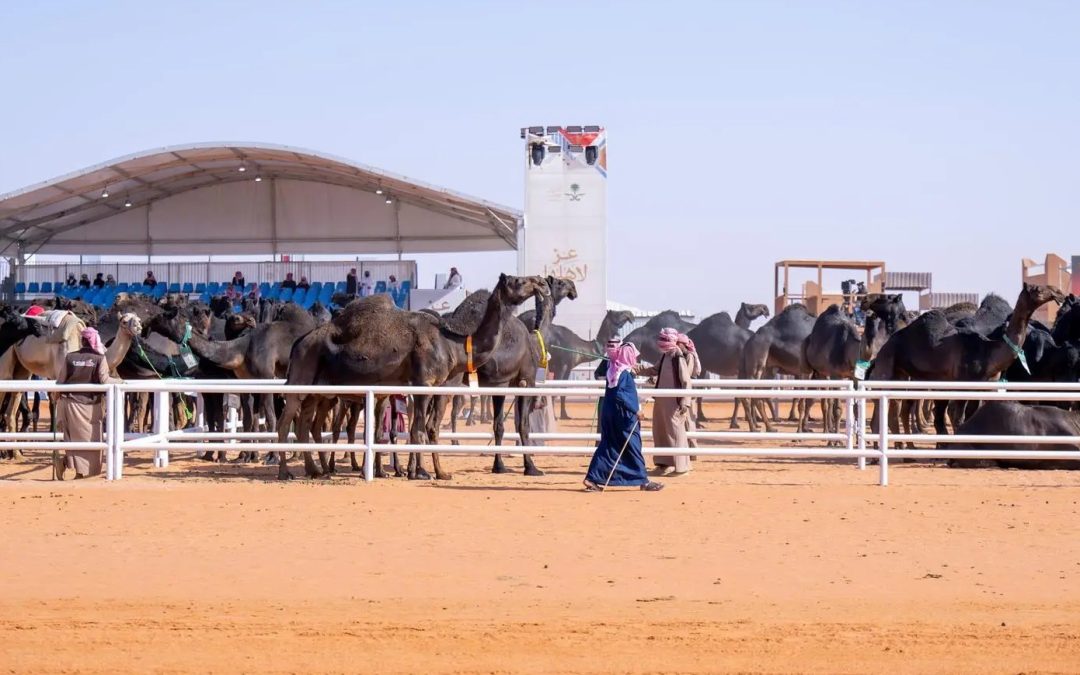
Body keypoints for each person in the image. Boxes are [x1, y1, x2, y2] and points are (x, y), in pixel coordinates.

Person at [583, 341, 663, 492]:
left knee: (608, 446)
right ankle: (643, 481)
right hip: (624, 416)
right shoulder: (624, 374)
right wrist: (636, 410)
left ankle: (592, 478)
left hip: (611, 414)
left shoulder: (612, 370)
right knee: (633, 446)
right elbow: (621, 395)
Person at [54, 327, 121, 480]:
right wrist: (121, 381)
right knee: (91, 439)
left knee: (73, 438)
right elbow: (105, 380)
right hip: (90, 405)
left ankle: (66, 463)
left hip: (69, 403)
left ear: (82, 340)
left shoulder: (70, 357)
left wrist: (56, 398)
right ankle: (77, 471)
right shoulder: (99, 358)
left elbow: (60, 380)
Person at [640, 327, 694, 475]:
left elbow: (686, 381)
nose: (661, 342)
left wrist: (685, 401)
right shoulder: (666, 356)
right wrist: (636, 368)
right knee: (660, 431)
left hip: (674, 402)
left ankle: (681, 468)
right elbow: (653, 370)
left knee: (676, 433)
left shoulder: (678, 357)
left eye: (664, 339)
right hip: (661, 401)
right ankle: (664, 464)